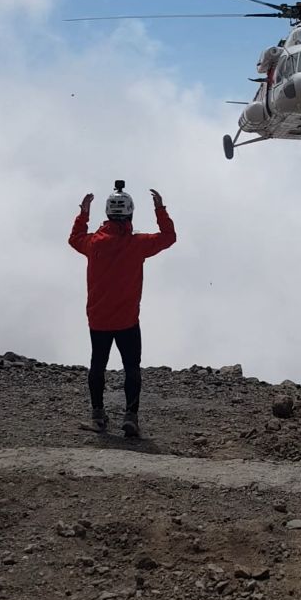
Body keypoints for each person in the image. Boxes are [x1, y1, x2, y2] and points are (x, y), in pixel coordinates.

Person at [69, 183, 176, 438]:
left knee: (98, 365)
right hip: (127, 320)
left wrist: (83, 213)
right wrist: (160, 209)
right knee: (131, 368)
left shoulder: (93, 243)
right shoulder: (137, 244)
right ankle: (131, 417)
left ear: (108, 213)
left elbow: (74, 238)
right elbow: (168, 237)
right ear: (130, 213)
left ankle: (98, 416)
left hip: (98, 319)